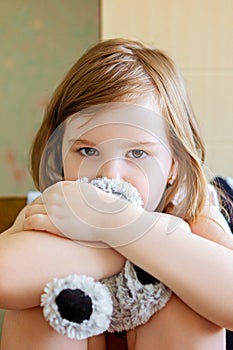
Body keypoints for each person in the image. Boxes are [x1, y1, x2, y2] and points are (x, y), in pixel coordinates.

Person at [0, 38, 233, 350]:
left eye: (137, 153)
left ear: (174, 164)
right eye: (87, 150)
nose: (110, 173)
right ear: (58, 156)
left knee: (187, 300)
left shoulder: (191, 211)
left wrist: (124, 225)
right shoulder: (57, 209)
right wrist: (115, 243)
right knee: (41, 304)